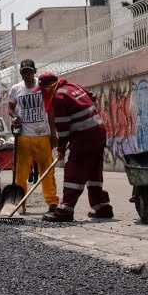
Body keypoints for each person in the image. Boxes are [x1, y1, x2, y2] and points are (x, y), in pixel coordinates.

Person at [39, 72, 112, 222]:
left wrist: (60, 149)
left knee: (74, 170)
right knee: (93, 172)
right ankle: (102, 207)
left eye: (42, 90)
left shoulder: (59, 98)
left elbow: (63, 129)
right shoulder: (72, 86)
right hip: (98, 131)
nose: (42, 94)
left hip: (85, 136)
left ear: (48, 87)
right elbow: (91, 97)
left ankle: (65, 211)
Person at [6, 58, 60, 214]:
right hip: (24, 137)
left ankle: (52, 202)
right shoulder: (16, 89)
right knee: (20, 173)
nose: (26, 74)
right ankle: (20, 202)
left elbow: (50, 111)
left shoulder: (43, 87)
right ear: (20, 73)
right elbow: (10, 108)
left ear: (35, 71)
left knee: (47, 171)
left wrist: (53, 134)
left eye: (29, 71)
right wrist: (14, 116)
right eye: (23, 72)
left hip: (43, 135)